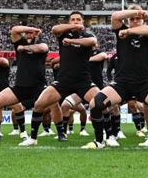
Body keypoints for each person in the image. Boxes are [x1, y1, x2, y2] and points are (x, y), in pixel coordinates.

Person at [82, 5, 148, 149]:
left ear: (143, 20)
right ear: (128, 19)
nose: (135, 20)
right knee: (95, 104)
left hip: (144, 83)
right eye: (132, 19)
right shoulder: (120, 29)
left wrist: (129, 30)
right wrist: (137, 12)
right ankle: (99, 141)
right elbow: (115, 16)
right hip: (121, 83)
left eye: (138, 18)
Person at [19, 12, 100, 146]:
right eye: (72, 19)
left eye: (78, 19)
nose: (75, 21)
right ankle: (33, 138)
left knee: (101, 104)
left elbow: (92, 42)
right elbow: (54, 29)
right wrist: (70, 28)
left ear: (83, 22)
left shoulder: (87, 35)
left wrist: (72, 41)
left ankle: (109, 136)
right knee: (39, 104)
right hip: (63, 81)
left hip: (83, 81)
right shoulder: (63, 33)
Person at [0, 26, 48, 141]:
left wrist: (24, 48)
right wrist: (32, 29)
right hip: (21, 86)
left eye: (32, 33)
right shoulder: (19, 42)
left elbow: (43, 48)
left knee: (52, 106)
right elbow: (14, 30)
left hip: (38, 86)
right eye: (28, 33)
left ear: (37, 35)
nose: (30, 35)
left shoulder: (41, 43)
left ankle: (59, 132)